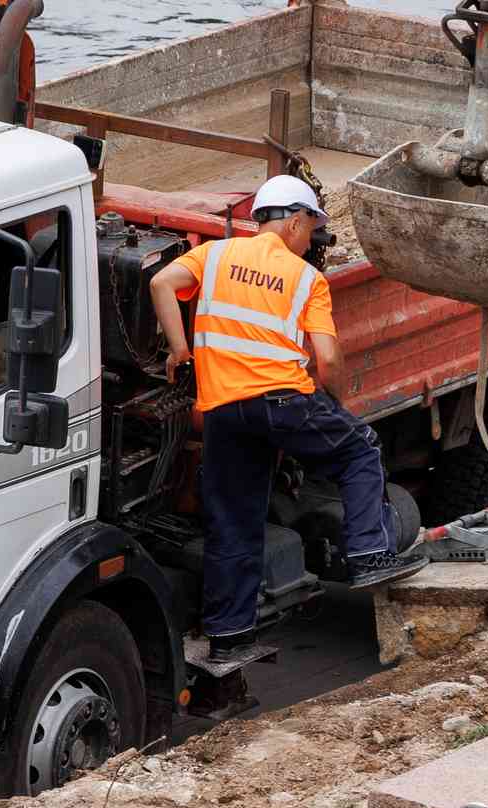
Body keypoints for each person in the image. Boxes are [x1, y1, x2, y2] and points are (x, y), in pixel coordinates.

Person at [149, 175, 426, 663]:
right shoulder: (305, 279)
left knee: (233, 523)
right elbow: (329, 359)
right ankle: (368, 555)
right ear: (296, 220)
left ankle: (230, 637)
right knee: (359, 449)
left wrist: (179, 350)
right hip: (283, 401)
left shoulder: (214, 256)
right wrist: (338, 405)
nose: (310, 238)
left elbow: (160, 282)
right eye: (311, 227)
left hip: (223, 411)